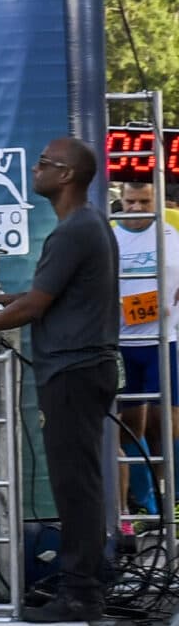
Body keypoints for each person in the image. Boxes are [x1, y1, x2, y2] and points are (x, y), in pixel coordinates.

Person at [0, 136, 120, 624]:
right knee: (79, 480)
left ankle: (80, 591)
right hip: (78, 368)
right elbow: (41, 294)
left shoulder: (75, 229)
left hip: (75, 370)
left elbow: (36, 306)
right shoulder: (84, 224)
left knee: (74, 483)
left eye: (43, 164)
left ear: (68, 176)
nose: (36, 170)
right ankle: (83, 582)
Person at [109, 180, 179, 523]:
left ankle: (174, 501)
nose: (136, 208)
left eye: (144, 201)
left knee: (170, 426)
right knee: (129, 428)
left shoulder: (171, 233)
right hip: (123, 344)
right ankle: (145, 504)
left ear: (157, 201)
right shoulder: (109, 237)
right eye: (130, 201)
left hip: (165, 342)